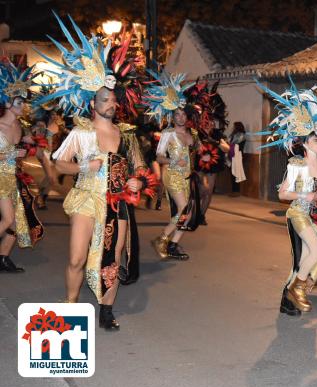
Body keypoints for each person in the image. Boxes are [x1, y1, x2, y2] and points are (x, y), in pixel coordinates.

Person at [37, 14, 154, 329]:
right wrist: (82, 166)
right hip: (87, 198)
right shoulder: (82, 133)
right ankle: (71, 306)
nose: (112, 104)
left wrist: (136, 179)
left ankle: (106, 310)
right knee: (76, 258)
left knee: (112, 260)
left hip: (117, 205)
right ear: (93, 104)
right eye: (105, 100)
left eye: (114, 100)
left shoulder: (126, 135)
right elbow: (59, 164)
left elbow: (142, 168)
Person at [257, 80, 317, 316]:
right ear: (303, 142)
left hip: (316, 218)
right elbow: (282, 194)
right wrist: (305, 194)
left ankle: (287, 299)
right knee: (314, 252)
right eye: (314, 139)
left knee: (307, 260)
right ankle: (295, 289)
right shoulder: (297, 165)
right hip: (298, 214)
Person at [147, 72, 204, 261]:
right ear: (172, 116)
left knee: (187, 214)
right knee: (184, 208)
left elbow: (199, 152)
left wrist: (203, 152)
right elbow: (159, 157)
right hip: (172, 175)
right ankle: (162, 238)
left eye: (183, 114)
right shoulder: (167, 134)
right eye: (177, 114)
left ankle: (172, 243)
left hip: (188, 177)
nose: (180, 117)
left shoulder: (192, 134)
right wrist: (172, 161)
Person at [0, 61, 44, 272]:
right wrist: (10, 153)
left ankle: (2, 258)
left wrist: (31, 143)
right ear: (7, 103)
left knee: (18, 224)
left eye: (23, 102)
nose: (23, 106)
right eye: (19, 102)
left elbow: (29, 144)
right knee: (8, 219)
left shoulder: (19, 126)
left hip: (12, 177)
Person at [228, 121, 246, 196]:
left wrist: (229, 143)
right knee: (232, 172)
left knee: (236, 173)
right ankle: (234, 190)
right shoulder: (234, 135)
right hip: (232, 154)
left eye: (234, 126)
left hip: (237, 155)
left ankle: (236, 191)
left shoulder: (241, 135)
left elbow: (234, 143)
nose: (233, 128)